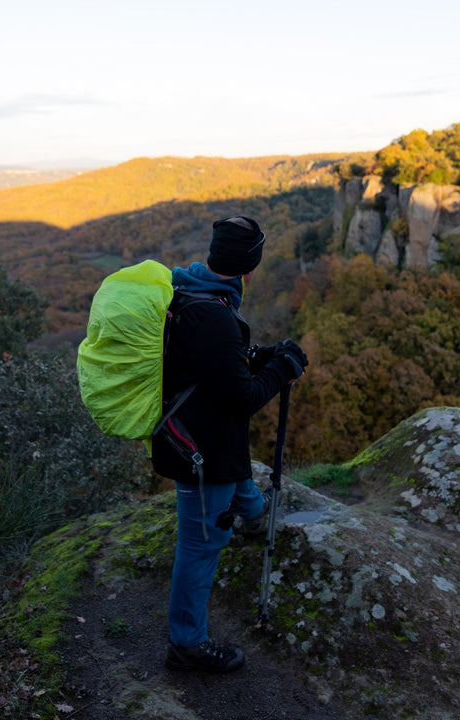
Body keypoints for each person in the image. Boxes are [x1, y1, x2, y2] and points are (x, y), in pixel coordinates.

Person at [152, 216, 308, 673]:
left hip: (209, 437)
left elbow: (215, 364)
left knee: (237, 480)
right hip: (201, 449)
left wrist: (263, 355)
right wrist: (284, 370)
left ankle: (254, 516)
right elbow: (243, 398)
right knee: (200, 544)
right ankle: (186, 643)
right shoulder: (216, 315)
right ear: (251, 267)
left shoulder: (190, 290)